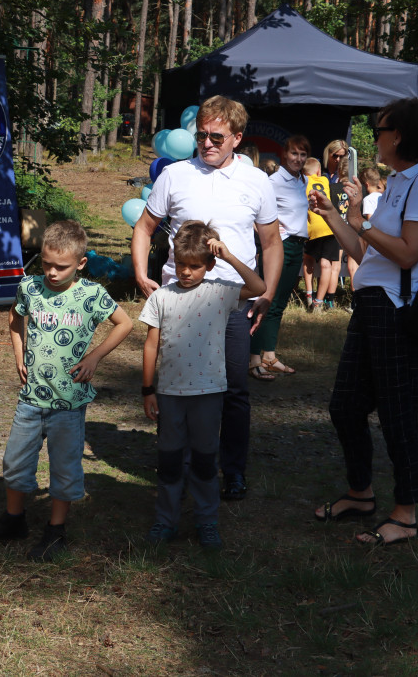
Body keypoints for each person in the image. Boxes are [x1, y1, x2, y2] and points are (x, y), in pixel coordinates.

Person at [308, 98, 418, 546]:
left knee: (396, 414)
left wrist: (363, 223)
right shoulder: (397, 182)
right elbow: (367, 253)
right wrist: (336, 217)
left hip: (398, 314)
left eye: (382, 128)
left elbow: (408, 252)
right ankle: (361, 494)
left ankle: (405, 514)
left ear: (400, 135)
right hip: (373, 307)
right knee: (345, 407)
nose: (375, 136)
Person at [130, 95, 281, 502]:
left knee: (233, 389)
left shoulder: (257, 181)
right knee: (176, 386)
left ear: (237, 137)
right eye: (201, 135)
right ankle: (173, 467)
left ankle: (232, 471)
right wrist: (141, 273)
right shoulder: (175, 175)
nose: (207, 143)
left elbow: (271, 242)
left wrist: (266, 293)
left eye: (217, 136)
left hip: (233, 301)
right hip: (179, 300)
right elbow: (145, 227)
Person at [0, 220, 133, 561]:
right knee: (14, 462)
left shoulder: (91, 295)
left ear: (81, 263)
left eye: (62, 267)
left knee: (64, 467)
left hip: (68, 402)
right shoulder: (30, 287)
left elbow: (125, 323)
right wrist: (18, 352)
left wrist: (95, 357)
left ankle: (56, 531)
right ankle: (14, 521)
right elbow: (15, 317)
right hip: (31, 398)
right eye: (46, 264)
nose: (52, 273)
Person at [140, 222, 265, 549]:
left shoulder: (220, 292)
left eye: (195, 266)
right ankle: (165, 521)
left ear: (209, 265)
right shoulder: (161, 297)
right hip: (169, 395)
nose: (186, 272)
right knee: (168, 462)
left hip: (208, 395)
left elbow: (258, 285)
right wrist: (147, 389)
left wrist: (230, 256)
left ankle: (207, 523)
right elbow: (150, 344)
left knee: (206, 462)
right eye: (181, 264)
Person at [248, 134, 310, 377]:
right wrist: (270, 235)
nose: (298, 158)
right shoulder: (273, 181)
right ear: (284, 154)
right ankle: (254, 359)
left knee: (279, 305)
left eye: (303, 154)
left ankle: (269, 356)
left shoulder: (302, 180)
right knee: (265, 301)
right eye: (294, 153)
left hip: (298, 246)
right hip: (280, 246)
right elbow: (254, 211)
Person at [302, 157, 340, 312]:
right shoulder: (324, 180)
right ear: (318, 171)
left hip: (312, 228)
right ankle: (319, 302)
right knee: (326, 265)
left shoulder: (303, 182)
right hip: (329, 227)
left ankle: (309, 294)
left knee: (307, 260)